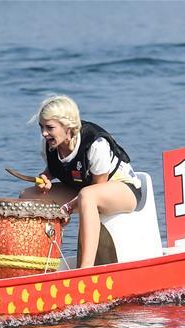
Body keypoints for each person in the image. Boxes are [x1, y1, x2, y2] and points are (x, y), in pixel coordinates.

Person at [19, 95, 142, 268]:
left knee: (87, 196)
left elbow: (98, 188)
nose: (44, 133)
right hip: (83, 190)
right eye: (41, 127)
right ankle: (33, 264)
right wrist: (45, 177)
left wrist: (68, 208)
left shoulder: (95, 144)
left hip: (123, 189)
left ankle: (85, 270)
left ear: (68, 127)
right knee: (28, 196)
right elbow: (54, 168)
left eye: (50, 128)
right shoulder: (48, 144)